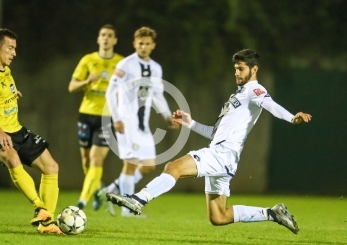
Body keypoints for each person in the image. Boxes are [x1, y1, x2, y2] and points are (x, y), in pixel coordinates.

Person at [106, 49, 312, 233]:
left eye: (241, 69)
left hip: (221, 154)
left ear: (254, 69)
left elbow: (270, 104)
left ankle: (138, 199)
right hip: (225, 156)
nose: (237, 73)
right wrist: (190, 123)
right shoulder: (239, 96)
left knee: (173, 167)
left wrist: (292, 117)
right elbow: (216, 133)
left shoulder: (254, 90)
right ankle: (272, 213)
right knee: (219, 217)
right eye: (235, 69)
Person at [0, 28, 63, 234]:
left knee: (51, 167)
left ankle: (46, 223)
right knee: (13, 159)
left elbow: (3, 89)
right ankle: (39, 207)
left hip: (16, 129)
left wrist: (13, 93)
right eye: (10, 48)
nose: (14, 53)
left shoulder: (4, 70)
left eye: (15, 48)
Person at [98, 26, 179, 217]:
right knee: (132, 162)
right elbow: (111, 91)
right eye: (140, 43)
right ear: (135, 44)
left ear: (153, 46)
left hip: (144, 124)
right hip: (126, 120)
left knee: (149, 165)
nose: (143, 47)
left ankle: (109, 190)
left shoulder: (156, 68)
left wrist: (167, 115)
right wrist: (116, 117)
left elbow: (158, 93)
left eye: (147, 44)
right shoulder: (125, 65)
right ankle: (127, 209)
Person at [68, 24, 123, 210]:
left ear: (115, 40)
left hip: (107, 118)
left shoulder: (122, 63)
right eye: (103, 35)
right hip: (86, 114)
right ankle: (99, 190)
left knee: (96, 159)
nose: (106, 38)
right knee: (86, 161)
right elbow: (71, 87)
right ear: (98, 39)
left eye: (109, 35)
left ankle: (82, 201)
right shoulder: (88, 60)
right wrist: (86, 81)